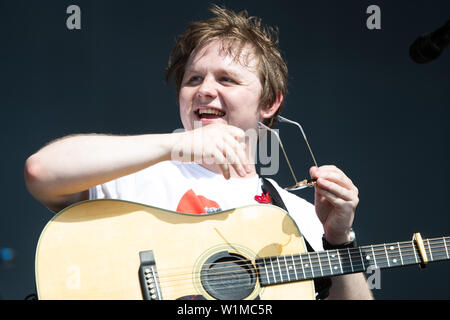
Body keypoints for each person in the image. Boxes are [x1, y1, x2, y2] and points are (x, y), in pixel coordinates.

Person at [24, 5, 373, 300]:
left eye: (226, 80)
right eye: (193, 79)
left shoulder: (299, 214)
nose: (205, 90)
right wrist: (175, 145)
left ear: (269, 102)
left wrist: (339, 241)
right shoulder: (133, 172)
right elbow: (41, 172)